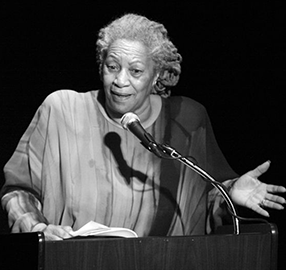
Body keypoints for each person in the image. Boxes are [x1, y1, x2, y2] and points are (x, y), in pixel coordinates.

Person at [1, 14, 285, 240]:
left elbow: (201, 203)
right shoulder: (62, 110)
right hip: (74, 268)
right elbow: (18, 189)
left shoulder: (186, 120)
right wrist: (37, 230)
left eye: (135, 71)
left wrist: (229, 193)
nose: (120, 81)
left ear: (157, 75)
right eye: (112, 66)